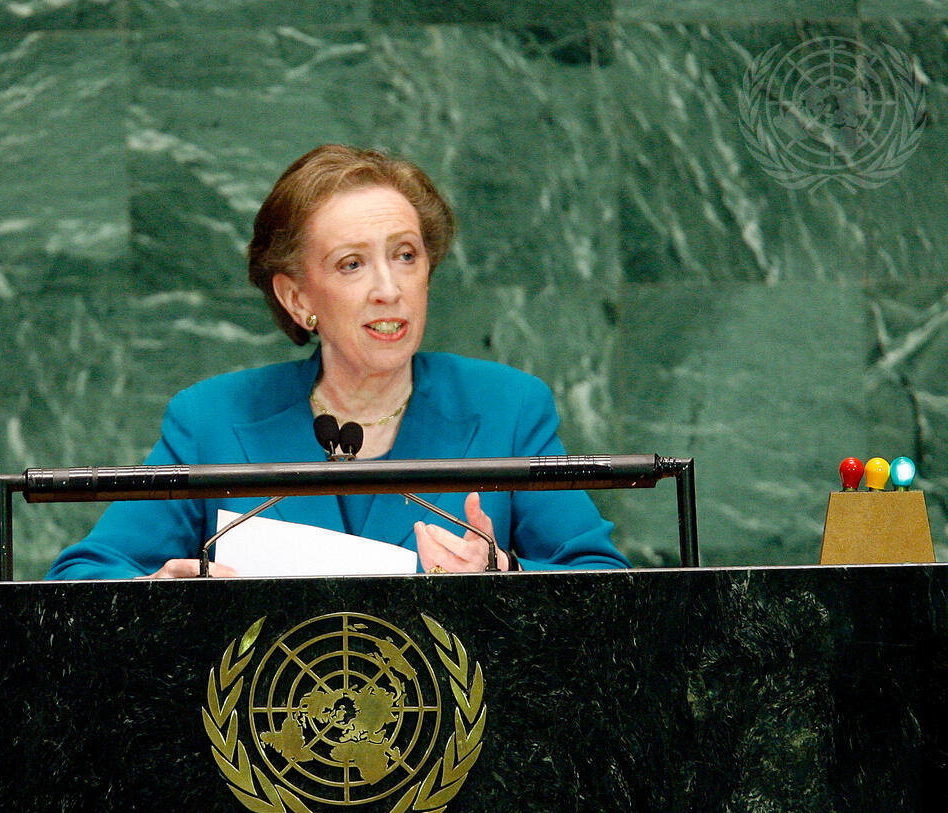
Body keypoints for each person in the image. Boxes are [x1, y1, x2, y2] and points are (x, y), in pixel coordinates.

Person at [46, 144, 629, 580]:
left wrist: (503, 573)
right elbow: (80, 578)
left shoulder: (507, 408)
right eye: (352, 264)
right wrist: (158, 592)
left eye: (406, 256)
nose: (389, 289)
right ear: (298, 298)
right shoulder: (213, 420)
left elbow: (605, 580)